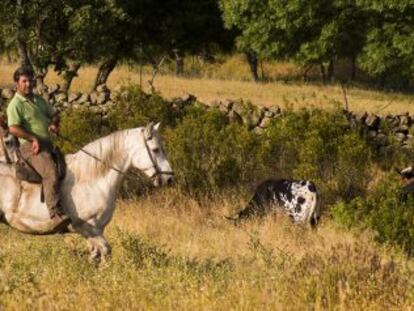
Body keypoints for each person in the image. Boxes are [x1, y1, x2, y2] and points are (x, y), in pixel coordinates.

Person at [7, 66, 65, 221]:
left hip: (48, 145)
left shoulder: (39, 100)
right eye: (24, 81)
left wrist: (54, 123)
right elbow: (13, 128)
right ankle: (55, 214)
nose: (28, 84)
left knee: (68, 170)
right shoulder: (15, 104)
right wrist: (33, 138)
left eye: (30, 80)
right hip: (29, 148)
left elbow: (54, 114)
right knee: (50, 172)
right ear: (17, 83)